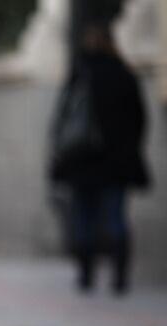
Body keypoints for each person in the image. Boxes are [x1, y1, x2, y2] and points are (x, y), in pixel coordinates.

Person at [50, 22, 150, 295]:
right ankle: (119, 278)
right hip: (116, 162)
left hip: (82, 160)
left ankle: (86, 275)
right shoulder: (123, 74)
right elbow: (139, 120)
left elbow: (62, 119)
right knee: (116, 216)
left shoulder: (81, 75)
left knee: (84, 216)